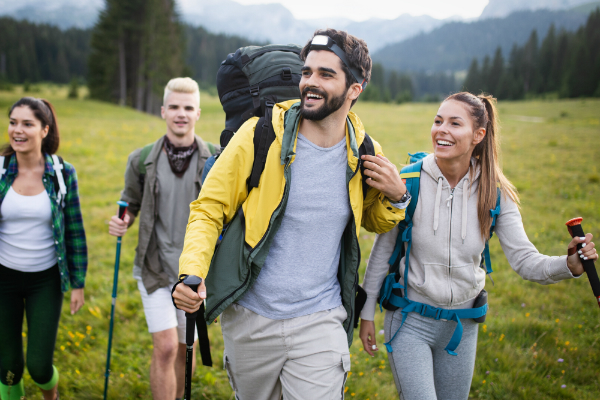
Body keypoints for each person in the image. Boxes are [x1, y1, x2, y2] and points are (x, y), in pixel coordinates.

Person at [173, 28, 410, 399]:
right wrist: (192, 271)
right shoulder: (259, 135)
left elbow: (372, 220)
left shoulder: (364, 150)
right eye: (307, 72)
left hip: (322, 318)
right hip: (252, 318)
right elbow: (209, 209)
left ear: (354, 89)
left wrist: (397, 197)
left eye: (326, 74)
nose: (310, 83)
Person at [358, 92, 598, 400]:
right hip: (409, 322)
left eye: (454, 123)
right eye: (438, 121)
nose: (441, 130)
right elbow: (381, 253)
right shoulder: (407, 182)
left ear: (478, 134)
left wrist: (569, 266)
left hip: (462, 326)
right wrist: (366, 314)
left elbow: (526, 261)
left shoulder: (494, 193)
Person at [108, 77, 217, 400]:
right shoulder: (140, 160)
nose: (180, 113)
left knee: (186, 348)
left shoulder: (216, 157)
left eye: (187, 107)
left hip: (196, 271)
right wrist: (122, 221)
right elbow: (130, 202)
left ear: (198, 113)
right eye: (174, 107)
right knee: (167, 347)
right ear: (162, 111)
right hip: (155, 268)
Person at [0, 97, 87, 400]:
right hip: (4, 279)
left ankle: (52, 396)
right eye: (13, 122)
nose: (17, 130)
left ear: (45, 129)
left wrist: (78, 283)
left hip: (45, 280)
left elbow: (75, 229)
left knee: (38, 367)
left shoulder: (62, 173)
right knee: (8, 367)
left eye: (27, 124)